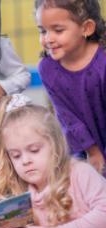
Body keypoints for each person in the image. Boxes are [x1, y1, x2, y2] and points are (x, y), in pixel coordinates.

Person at [0, 94, 106, 228]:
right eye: (16, 155)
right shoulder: (22, 195)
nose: (25, 161)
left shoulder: (80, 173)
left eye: (34, 150)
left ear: (55, 145)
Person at [35, 0, 106, 175]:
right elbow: (67, 117)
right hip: (84, 147)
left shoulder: (103, 61)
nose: (48, 39)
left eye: (58, 30)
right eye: (43, 31)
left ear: (86, 28)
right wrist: (93, 152)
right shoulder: (48, 68)